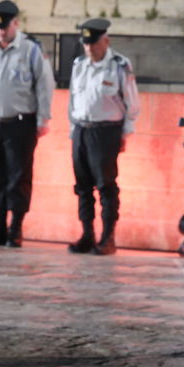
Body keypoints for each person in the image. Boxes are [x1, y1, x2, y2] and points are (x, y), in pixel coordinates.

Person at [0, 0, 55, 248]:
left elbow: (44, 86)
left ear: (16, 23)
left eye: (5, 27)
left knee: (18, 177)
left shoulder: (30, 49)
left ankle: (15, 229)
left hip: (21, 123)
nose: (1, 32)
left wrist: (43, 119)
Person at [67, 18, 140, 255]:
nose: (89, 48)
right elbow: (73, 100)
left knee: (106, 185)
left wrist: (125, 133)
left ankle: (108, 238)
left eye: (94, 43)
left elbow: (132, 102)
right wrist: (73, 129)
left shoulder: (119, 65)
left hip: (106, 131)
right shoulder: (79, 64)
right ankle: (87, 235)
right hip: (81, 129)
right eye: (85, 43)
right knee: (82, 186)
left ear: (105, 40)